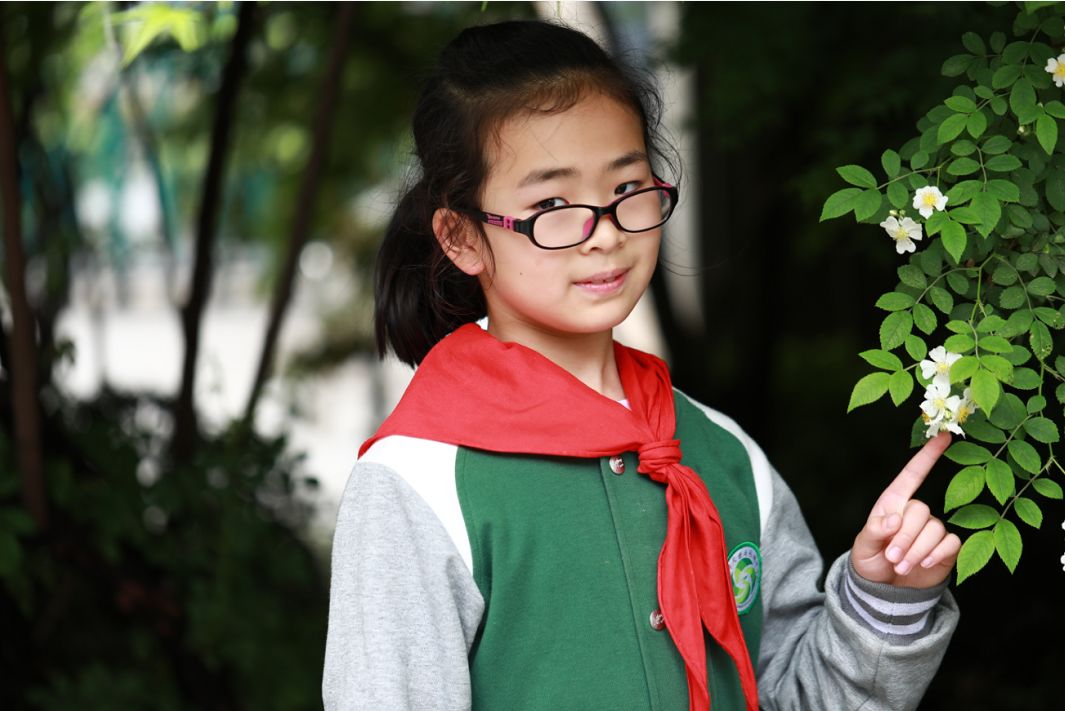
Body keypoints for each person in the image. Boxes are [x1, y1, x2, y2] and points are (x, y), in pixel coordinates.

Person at [322, 19, 961, 711]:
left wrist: (882, 600)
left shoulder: (722, 454)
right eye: (551, 204)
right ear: (461, 236)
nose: (601, 234)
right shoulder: (416, 483)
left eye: (626, 188)